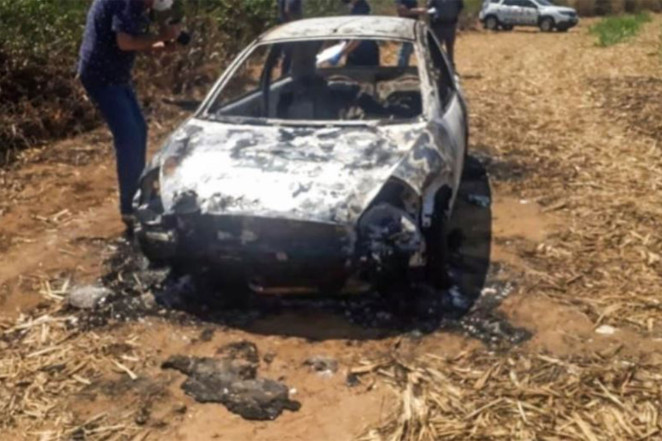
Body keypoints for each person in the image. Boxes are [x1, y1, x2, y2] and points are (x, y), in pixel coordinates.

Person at [78, 0, 181, 230]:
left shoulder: (138, 5)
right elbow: (124, 42)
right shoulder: (128, 2)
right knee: (129, 137)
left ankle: (139, 194)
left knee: (139, 130)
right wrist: (160, 35)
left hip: (116, 75)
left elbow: (131, 41)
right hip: (101, 75)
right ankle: (130, 208)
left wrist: (161, 46)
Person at [428, 0, 464, 67]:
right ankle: (437, 67)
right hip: (438, 25)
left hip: (451, 25)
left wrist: (454, 16)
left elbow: (460, 7)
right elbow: (429, 8)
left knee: (450, 47)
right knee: (437, 48)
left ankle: (450, 66)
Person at [395, 0, 428, 67]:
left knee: (409, 49)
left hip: (413, 25)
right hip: (405, 25)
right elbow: (402, 12)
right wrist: (418, 11)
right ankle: (401, 69)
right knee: (405, 50)